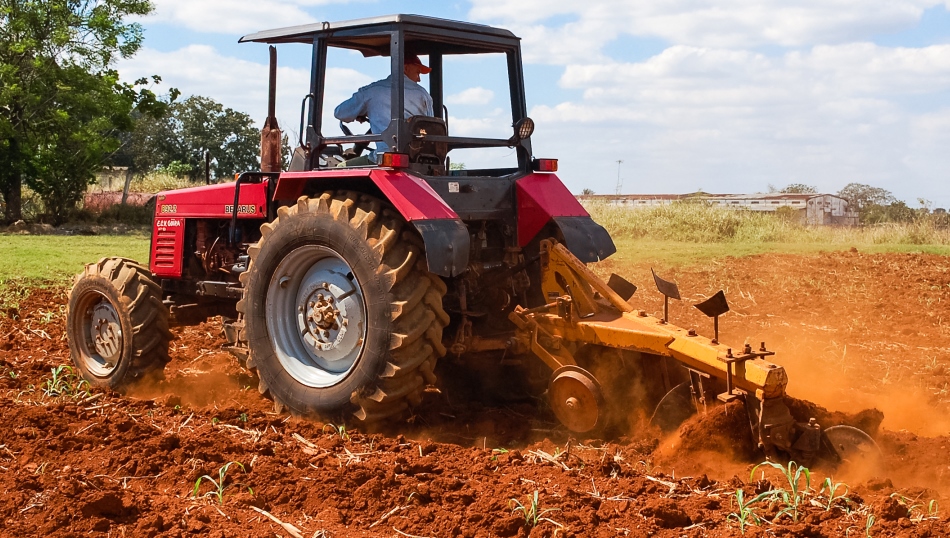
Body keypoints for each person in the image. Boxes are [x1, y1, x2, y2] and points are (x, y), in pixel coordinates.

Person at [334, 54, 434, 165]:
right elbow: (431, 126)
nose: (419, 79)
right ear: (406, 68)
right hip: (419, 159)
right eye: (418, 73)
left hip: (387, 157)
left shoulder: (372, 91)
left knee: (340, 167)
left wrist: (362, 112)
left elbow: (340, 113)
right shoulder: (423, 94)